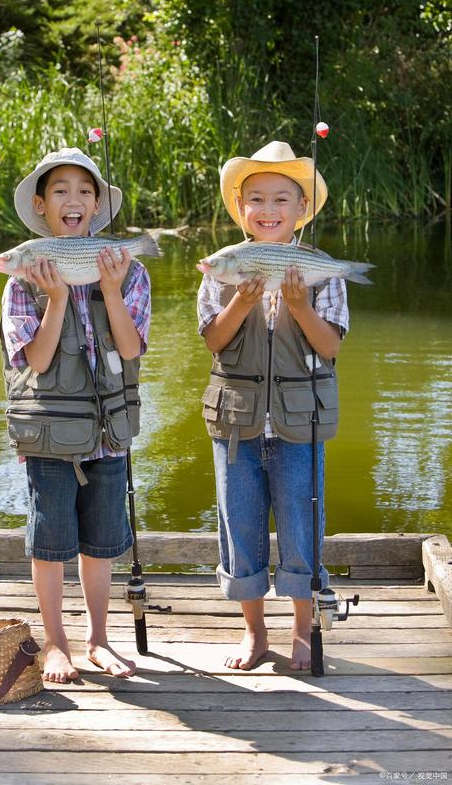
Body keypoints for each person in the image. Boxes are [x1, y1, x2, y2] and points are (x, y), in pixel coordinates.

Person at [0, 147, 151, 683]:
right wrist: (57, 298)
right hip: (48, 431)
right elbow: (37, 361)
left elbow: (131, 350)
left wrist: (109, 288)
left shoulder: (127, 271)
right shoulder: (23, 280)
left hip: (108, 431)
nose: (74, 200)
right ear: (41, 207)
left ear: (97, 205)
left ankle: (99, 639)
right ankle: (55, 642)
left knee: (101, 541)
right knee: (50, 540)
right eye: (61, 191)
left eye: (85, 191)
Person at [197, 140, 349, 671]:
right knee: (239, 528)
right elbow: (214, 341)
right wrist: (242, 295)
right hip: (236, 423)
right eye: (256, 199)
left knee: (302, 527)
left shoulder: (320, 267)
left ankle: (303, 631)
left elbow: (329, 347)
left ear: (302, 209)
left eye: (282, 199)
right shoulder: (227, 264)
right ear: (241, 209)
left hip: (298, 423)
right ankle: (254, 633)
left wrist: (300, 303)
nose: (268, 210)